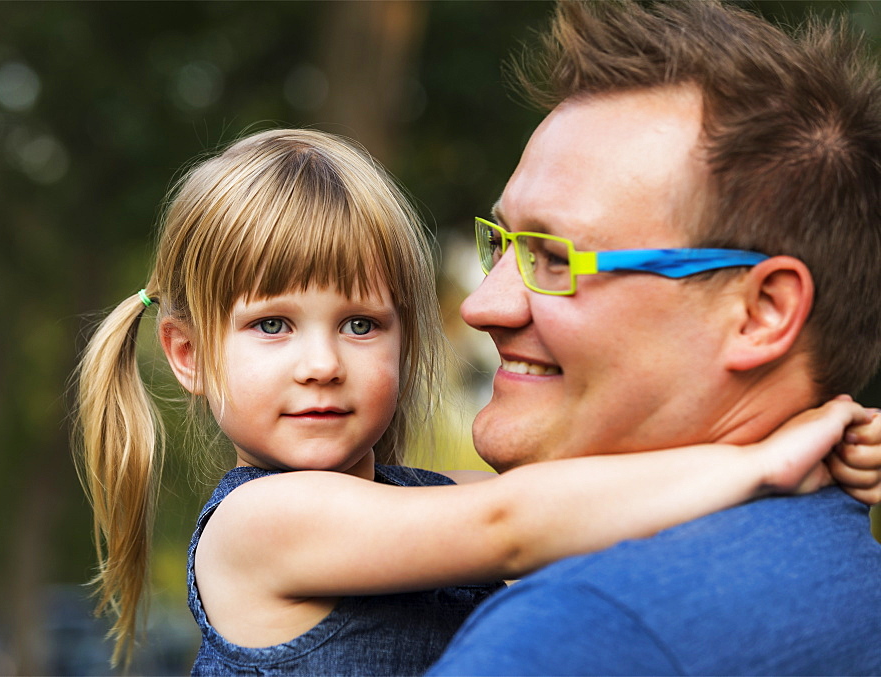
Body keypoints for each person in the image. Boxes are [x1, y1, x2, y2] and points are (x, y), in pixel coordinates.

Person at [74, 129, 880, 675]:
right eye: (272, 325)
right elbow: (517, 523)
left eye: (361, 323)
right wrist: (756, 460)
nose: (320, 363)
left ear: (406, 336)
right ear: (187, 352)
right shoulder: (260, 525)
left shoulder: (418, 500)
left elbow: (584, 499)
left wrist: (806, 446)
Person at [427, 2, 881, 675]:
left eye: (554, 258)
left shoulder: (582, 631)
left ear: (761, 313)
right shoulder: (837, 570)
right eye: (504, 244)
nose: (484, 306)